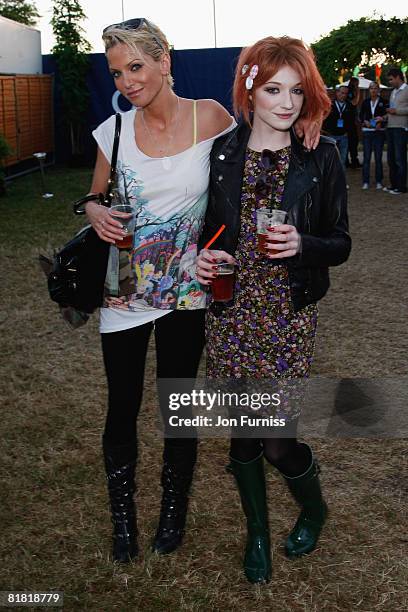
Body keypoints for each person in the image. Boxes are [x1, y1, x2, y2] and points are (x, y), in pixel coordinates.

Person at [82, 18, 322, 565]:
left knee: (178, 408)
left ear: (166, 61)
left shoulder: (211, 117)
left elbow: (269, 120)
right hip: (126, 295)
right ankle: (124, 523)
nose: (127, 82)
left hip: (190, 295)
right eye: (117, 72)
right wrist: (94, 208)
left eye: (137, 67)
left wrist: (308, 123)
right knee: (121, 409)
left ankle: (173, 513)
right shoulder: (111, 132)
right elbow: (92, 197)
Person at [196, 36, 351, 584]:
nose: (286, 103)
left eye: (296, 91)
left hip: (287, 314)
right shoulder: (220, 153)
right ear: (250, 89)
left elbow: (341, 241)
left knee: (278, 440)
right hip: (232, 312)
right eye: (273, 89)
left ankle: (313, 507)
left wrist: (303, 244)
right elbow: (204, 229)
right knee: (243, 433)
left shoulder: (322, 154)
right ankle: (257, 532)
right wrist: (202, 257)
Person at [383, 68, 408, 195]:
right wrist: (383, 117)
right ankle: (394, 185)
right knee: (391, 158)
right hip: (390, 127)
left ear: (398, 77)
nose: (390, 82)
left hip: (401, 128)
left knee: (400, 158)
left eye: (391, 79)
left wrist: (396, 111)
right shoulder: (393, 92)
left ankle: (402, 187)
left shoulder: (407, 90)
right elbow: (392, 109)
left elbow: (399, 110)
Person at [359, 81, 387, 190]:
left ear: (378, 90)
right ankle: (365, 181)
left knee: (378, 157)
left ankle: (379, 181)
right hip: (367, 131)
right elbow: (361, 115)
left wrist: (381, 123)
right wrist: (364, 121)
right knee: (366, 158)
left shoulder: (384, 102)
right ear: (369, 90)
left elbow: (387, 115)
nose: (373, 90)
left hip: (379, 133)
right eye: (371, 88)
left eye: (375, 88)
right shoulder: (365, 102)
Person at [323, 85, 354, 169]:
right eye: (342, 93)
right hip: (332, 136)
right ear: (337, 93)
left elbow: (351, 121)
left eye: (345, 94)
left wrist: (348, 132)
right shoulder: (329, 104)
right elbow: (324, 119)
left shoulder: (349, 106)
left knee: (342, 161)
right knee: (331, 161)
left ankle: (341, 182)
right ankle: (331, 182)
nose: (343, 95)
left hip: (344, 136)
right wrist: (327, 132)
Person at [346, 76, 362, 168]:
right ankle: (353, 161)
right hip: (349, 121)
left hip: (351, 120)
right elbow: (354, 103)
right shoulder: (351, 91)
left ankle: (350, 160)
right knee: (352, 141)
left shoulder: (351, 91)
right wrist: (358, 92)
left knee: (352, 141)